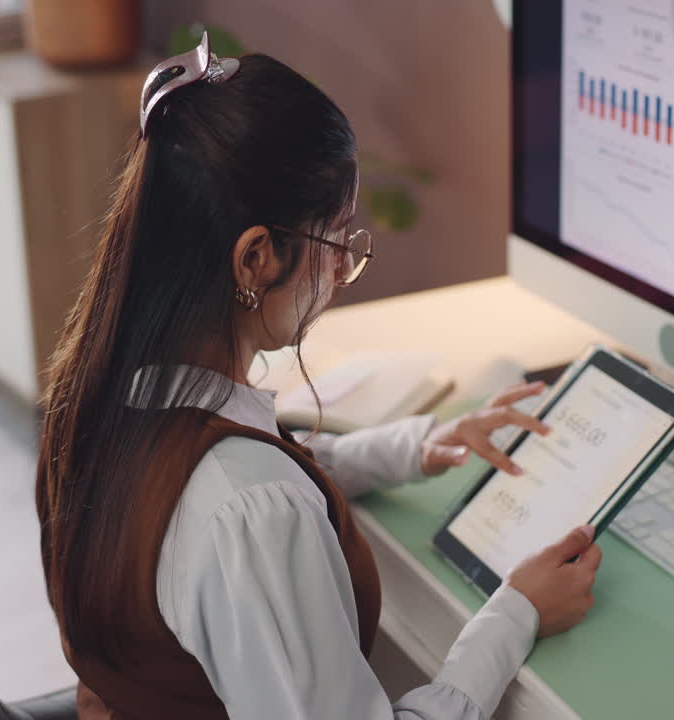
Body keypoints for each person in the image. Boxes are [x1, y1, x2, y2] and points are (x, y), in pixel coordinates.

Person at [35, 36, 602, 720]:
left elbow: (249, 475)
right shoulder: (254, 510)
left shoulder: (97, 399)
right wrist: (513, 615)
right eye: (336, 241)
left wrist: (414, 448)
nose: (341, 272)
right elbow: (248, 501)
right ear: (255, 258)